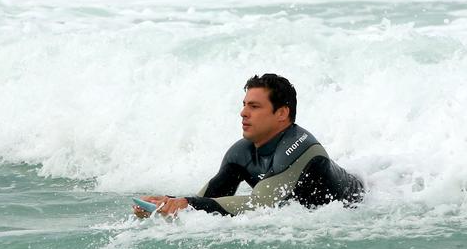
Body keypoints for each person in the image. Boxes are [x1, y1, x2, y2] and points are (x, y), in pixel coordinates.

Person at [134, 73, 364, 218]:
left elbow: (260, 205)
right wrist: (165, 203)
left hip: (360, 203)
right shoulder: (242, 152)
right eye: (244, 105)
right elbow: (209, 199)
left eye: (254, 106)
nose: (243, 113)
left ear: (282, 113)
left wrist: (188, 204)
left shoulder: (298, 147)